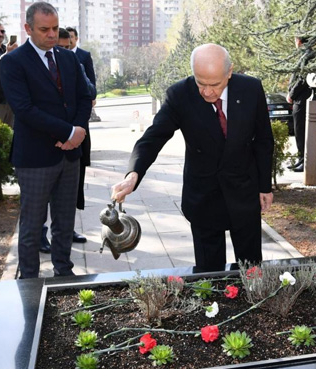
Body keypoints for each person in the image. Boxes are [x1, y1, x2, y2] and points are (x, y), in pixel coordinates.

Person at [110, 43, 274, 273]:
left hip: (243, 191)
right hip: (204, 197)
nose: (207, 91)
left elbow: (264, 140)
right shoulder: (180, 95)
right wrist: (133, 175)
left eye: (215, 84)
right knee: (208, 274)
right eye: (201, 83)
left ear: (229, 72)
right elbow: (153, 138)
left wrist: (264, 186)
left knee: (251, 271)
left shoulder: (250, 89)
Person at [0, 2, 93, 278]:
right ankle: (28, 278)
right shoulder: (13, 62)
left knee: (65, 222)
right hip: (35, 158)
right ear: (28, 28)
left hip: (70, 156)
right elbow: (25, 109)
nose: (53, 35)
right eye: (45, 29)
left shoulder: (68, 58)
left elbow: (84, 96)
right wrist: (68, 133)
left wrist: (77, 130)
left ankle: (64, 272)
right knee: (32, 224)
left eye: (55, 28)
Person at [34, 28, 96, 254]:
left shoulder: (75, 61)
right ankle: (41, 234)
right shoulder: (32, 63)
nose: (61, 51)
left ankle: (66, 233)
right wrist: (66, 132)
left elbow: (89, 91)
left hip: (74, 141)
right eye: (59, 47)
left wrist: (74, 133)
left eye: (66, 47)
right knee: (40, 198)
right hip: (43, 142)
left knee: (69, 194)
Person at [286, 36, 314, 173]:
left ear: (299, 41)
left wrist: (291, 94)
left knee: (301, 130)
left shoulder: (307, 56)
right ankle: (301, 159)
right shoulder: (305, 55)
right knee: (298, 131)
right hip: (300, 99)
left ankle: (304, 160)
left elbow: (303, 79)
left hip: (301, 99)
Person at [66, 26, 100, 123]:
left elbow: (91, 77)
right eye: (67, 37)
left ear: (76, 38)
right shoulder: (60, 54)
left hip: (82, 98)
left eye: (71, 37)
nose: (69, 39)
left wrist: (92, 97)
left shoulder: (84, 55)